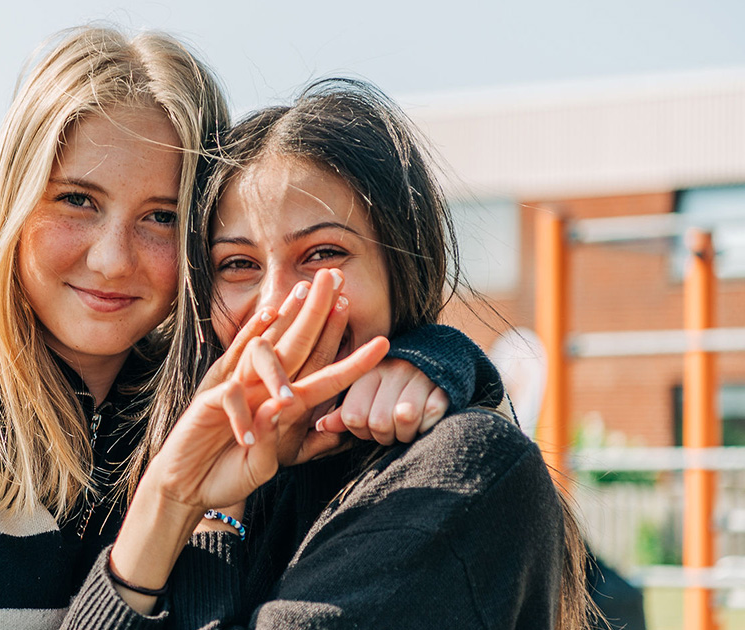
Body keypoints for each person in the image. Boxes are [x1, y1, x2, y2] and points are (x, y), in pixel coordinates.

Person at [0, 27, 500, 630]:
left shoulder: (212, 411)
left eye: (162, 218)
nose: (111, 261)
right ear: (13, 198)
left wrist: (425, 357)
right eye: (77, 200)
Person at [63, 78, 591, 629]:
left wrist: (443, 356)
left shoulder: (456, 474)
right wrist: (175, 501)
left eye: (322, 253)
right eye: (238, 264)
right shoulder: (164, 444)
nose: (280, 303)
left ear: (400, 267)